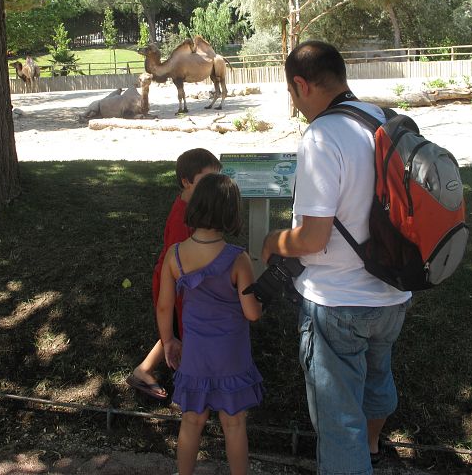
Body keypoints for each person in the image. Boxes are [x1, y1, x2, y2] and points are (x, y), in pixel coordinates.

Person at [261, 40, 412, 474]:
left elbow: (312, 238)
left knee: (338, 422)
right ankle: (373, 448)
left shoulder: (322, 135)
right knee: (378, 381)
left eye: (292, 93)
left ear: (301, 84)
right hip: (392, 295)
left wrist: (273, 242)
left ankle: (355, 458)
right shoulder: (383, 120)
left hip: (338, 304)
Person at [157, 173, 264, 475]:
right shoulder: (238, 259)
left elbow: (165, 306)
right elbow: (252, 313)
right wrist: (263, 301)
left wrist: (168, 341)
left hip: (196, 353)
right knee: (234, 423)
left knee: (191, 421)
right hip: (231, 354)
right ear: (230, 212)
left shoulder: (174, 255)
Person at [126, 148, 222, 400]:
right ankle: (191, 388)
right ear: (186, 182)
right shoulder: (182, 217)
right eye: (207, 179)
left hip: (182, 283)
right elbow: (180, 262)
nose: (213, 185)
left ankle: (143, 370)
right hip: (176, 284)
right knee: (183, 330)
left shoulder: (193, 205)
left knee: (176, 332)